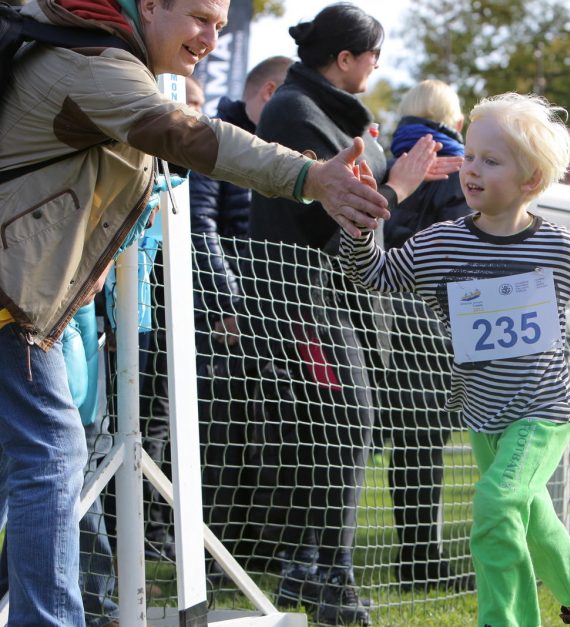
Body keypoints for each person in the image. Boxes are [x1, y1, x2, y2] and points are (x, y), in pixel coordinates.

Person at [0, 0, 390, 621]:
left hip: (23, 293)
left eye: (221, 27)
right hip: (12, 297)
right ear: (149, 6)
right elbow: (190, 135)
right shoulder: (94, 63)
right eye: (199, 18)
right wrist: (308, 177)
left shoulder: (84, 44)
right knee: (51, 455)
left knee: (33, 460)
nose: (210, 38)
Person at [339, 92, 570, 627]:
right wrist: (362, 227)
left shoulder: (558, 248)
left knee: (494, 509)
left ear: (531, 179)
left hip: (541, 410)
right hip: (482, 413)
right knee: (530, 517)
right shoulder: (441, 244)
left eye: (491, 160)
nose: (471, 169)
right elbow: (372, 275)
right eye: (470, 155)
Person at [247, 4, 453, 622]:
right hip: (305, 305)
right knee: (347, 427)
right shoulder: (295, 112)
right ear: (344, 60)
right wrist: (401, 187)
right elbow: (335, 216)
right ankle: (328, 577)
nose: (378, 67)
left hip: (333, 302)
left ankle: (308, 571)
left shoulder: (319, 112)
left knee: (333, 434)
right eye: (374, 56)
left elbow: (351, 193)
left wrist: (394, 172)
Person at [187, 55, 292, 568]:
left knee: (266, 430)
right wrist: (229, 302)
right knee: (222, 435)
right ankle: (215, 551)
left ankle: (256, 548)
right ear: (270, 93)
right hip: (222, 314)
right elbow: (200, 224)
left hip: (268, 310)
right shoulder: (215, 135)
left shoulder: (279, 144)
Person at [378, 79, 476, 592]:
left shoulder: (388, 160)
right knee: (425, 446)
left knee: (402, 446)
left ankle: (414, 559)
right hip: (435, 323)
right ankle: (423, 561)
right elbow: (464, 247)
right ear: (454, 121)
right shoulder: (459, 170)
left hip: (382, 315)